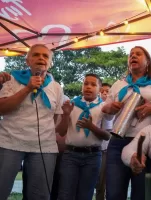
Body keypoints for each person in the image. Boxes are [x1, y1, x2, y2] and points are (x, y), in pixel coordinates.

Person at [0, 44, 64, 200]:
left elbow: (55, 119)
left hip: (44, 147)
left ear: (50, 63)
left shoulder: (56, 87)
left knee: (40, 195)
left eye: (45, 56)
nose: (41, 58)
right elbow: (2, 109)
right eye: (35, 55)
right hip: (10, 142)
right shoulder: (12, 79)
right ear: (27, 61)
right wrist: (28, 88)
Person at [102, 46, 151, 200]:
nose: (133, 56)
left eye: (138, 54)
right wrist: (109, 108)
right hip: (117, 142)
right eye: (131, 55)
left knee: (141, 193)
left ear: (148, 62)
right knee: (114, 193)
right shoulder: (119, 85)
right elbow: (107, 115)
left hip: (144, 143)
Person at [56, 74, 111, 200]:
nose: (88, 87)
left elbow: (107, 136)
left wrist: (91, 127)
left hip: (93, 156)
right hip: (70, 155)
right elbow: (61, 132)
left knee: (85, 194)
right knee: (65, 193)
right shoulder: (71, 104)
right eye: (85, 84)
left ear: (100, 89)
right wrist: (65, 115)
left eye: (93, 85)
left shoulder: (104, 108)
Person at [96, 82, 112, 200]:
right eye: (102, 91)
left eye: (108, 91)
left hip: (107, 148)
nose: (105, 93)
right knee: (96, 181)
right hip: (96, 147)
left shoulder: (112, 110)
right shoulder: (95, 107)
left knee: (105, 181)